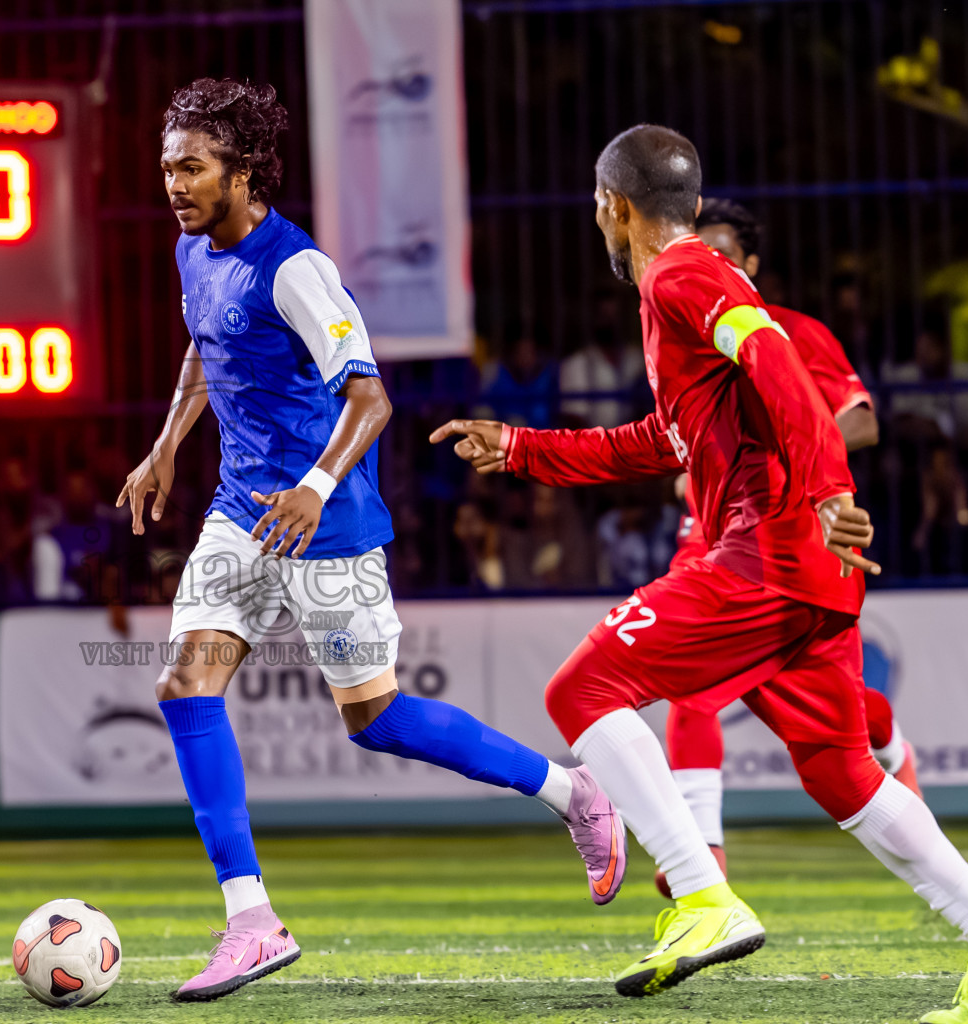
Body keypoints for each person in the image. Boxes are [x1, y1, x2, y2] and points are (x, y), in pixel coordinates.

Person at [433, 124, 968, 1019]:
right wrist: (523, 446)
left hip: (765, 553)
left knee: (582, 690)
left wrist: (827, 486)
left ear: (614, 208)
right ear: (693, 204)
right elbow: (659, 441)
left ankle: (702, 895)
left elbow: (774, 358)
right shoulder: (686, 287)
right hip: (807, 566)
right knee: (844, 774)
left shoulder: (679, 274)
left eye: (598, 208)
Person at [118, 78, 628, 1003]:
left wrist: (314, 489)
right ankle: (251, 921)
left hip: (327, 525)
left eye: (191, 168)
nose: (174, 185)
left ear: (244, 171)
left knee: (378, 722)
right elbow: (205, 346)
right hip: (241, 512)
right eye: (166, 168)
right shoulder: (193, 248)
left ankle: (572, 792)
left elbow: (372, 397)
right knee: (185, 682)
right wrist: (165, 449)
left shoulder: (295, 269)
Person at [656, 198, 920, 899]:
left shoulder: (793, 333)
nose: (710, 264)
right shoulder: (680, 339)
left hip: (794, 540)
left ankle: (892, 745)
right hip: (711, 538)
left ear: (750, 263)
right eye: (699, 252)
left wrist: (785, 452)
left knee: (839, 714)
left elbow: (861, 424)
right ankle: (703, 853)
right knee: (689, 682)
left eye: (724, 253)